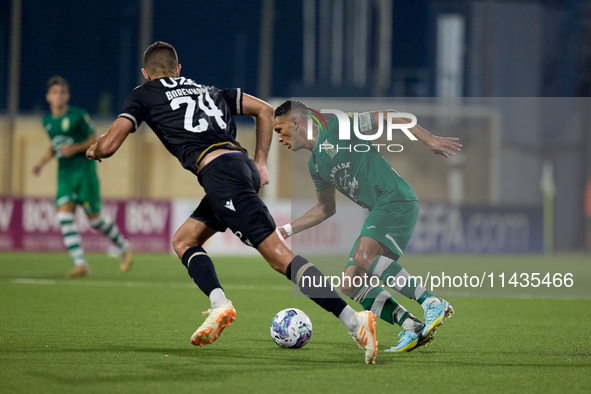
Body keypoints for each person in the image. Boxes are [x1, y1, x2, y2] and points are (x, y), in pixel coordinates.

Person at [86, 41, 379, 364]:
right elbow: (265, 110)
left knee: (279, 257)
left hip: (220, 175)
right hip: (236, 168)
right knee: (184, 240)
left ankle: (353, 320)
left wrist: (95, 148)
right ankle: (219, 303)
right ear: (179, 69)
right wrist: (261, 163)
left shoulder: (143, 93)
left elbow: (111, 144)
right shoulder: (208, 90)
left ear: (146, 73)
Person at [273, 99, 460, 352]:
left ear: (294, 122)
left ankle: (431, 303)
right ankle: (411, 325)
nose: (279, 138)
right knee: (350, 283)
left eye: (279, 130)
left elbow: (392, 116)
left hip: (394, 198)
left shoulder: (338, 124)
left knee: (363, 256)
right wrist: (284, 231)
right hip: (384, 207)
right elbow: (325, 208)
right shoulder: (315, 165)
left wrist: (429, 140)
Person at [32, 76, 132, 278]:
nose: (58, 96)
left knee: (95, 221)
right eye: (54, 93)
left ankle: (123, 246)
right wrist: (41, 163)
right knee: (63, 215)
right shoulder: (48, 121)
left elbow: (93, 140)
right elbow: (55, 146)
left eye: (62, 92)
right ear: (48, 97)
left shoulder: (78, 116)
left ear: (67, 96)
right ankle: (80, 263)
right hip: (65, 174)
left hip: (84, 172)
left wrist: (75, 148)